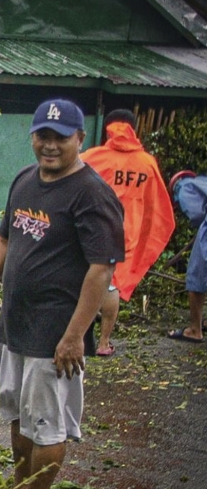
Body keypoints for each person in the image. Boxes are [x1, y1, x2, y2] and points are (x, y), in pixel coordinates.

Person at [0, 99, 125, 489]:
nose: (50, 146)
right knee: (16, 413)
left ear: (80, 138)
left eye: (60, 137)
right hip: (14, 322)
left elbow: (100, 268)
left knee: (47, 424)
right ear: (33, 136)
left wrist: (74, 336)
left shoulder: (92, 194)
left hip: (54, 332)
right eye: (43, 136)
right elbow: (3, 241)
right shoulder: (24, 179)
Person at [80, 109, 175, 356]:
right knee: (112, 286)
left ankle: (78, 336)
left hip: (91, 231)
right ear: (134, 129)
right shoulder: (147, 163)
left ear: (107, 128)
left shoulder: (93, 157)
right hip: (124, 236)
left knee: (82, 281)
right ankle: (103, 344)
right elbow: (158, 208)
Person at [167, 170, 207, 343]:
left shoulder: (183, 187)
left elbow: (196, 213)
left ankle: (195, 330)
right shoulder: (202, 181)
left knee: (197, 275)